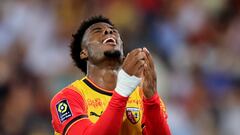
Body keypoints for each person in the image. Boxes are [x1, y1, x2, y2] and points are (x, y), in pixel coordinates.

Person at [50, 15, 171, 135]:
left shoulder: (141, 96)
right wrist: (123, 90)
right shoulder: (67, 98)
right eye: (97, 31)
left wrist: (151, 100)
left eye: (113, 31)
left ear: (123, 52)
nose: (108, 31)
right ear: (84, 52)